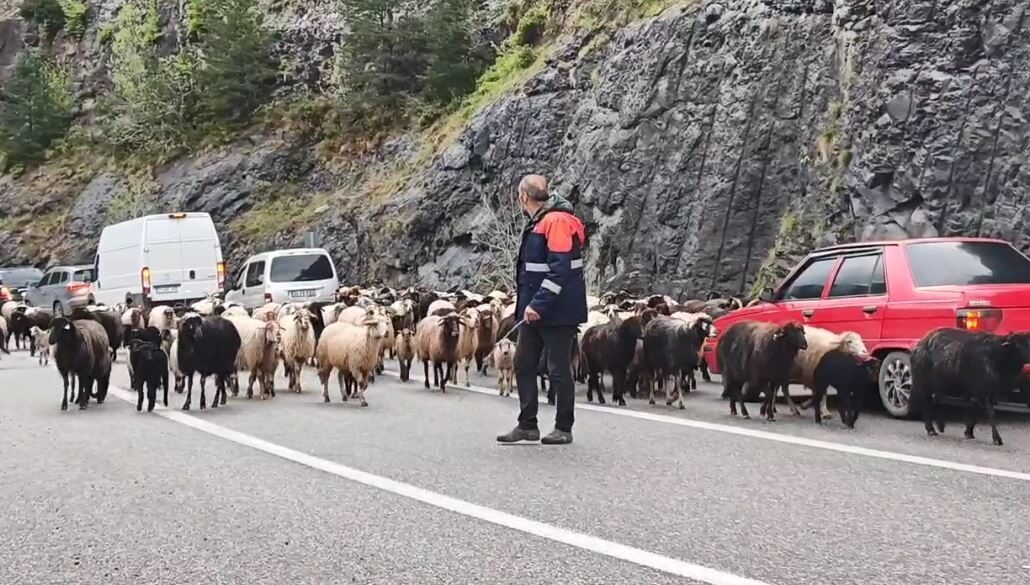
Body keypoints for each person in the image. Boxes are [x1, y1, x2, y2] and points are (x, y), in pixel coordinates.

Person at [496, 174, 588, 445]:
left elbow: (560, 270)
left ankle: (563, 427)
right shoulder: (541, 220)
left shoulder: (556, 221)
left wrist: (538, 303)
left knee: (558, 369)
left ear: (523, 196)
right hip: (536, 310)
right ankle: (527, 425)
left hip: (556, 312)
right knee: (523, 363)